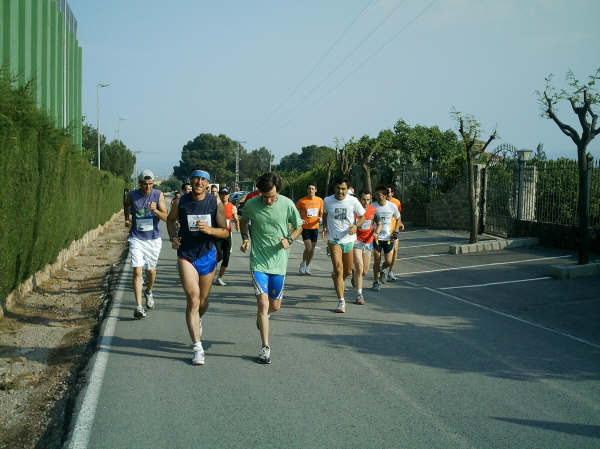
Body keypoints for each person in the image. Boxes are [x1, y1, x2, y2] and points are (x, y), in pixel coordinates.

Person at [239, 172, 303, 364]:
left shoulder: (287, 204)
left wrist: (289, 239)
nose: (268, 200)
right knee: (263, 304)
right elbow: (243, 222)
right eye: (265, 196)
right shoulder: (251, 205)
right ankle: (265, 348)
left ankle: (263, 317)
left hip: (279, 263)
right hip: (258, 261)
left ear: (278, 191)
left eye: (272, 196)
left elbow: (299, 226)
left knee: (274, 306)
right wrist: (245, 238)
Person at [167, 169, 229, 366]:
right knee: (193, 299)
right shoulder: (181, 202)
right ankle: (197, 348)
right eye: (196, 179)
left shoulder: (214, 202)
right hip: (186, 255)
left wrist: (210, 230)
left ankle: (198, 319)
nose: (199, 182)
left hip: (207, 255)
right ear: (191, 180)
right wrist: (173, 238)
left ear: (208, 183)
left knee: (202, 301)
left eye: (203, 180)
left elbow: (225, 233)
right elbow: (170, 220)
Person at [124, 170, 168, 319]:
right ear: (139, 183)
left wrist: (155, 210)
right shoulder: (132, 195)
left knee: (151, 271)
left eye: (150, 184)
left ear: (153, 183)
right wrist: (127, 218)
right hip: (137, 238)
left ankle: (148, 291)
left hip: (153, 240)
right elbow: (126, 205)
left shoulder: (158, 195)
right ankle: (139, 307)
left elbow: (166, 217)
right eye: (144, 184)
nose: (147, 187)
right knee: (137, 271)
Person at [322, 178, 366, 313]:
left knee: (347, 271)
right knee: (339, 269)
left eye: (343, 189)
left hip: (348, 239)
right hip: (333, 240)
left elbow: (363, 216)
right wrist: (324, 227)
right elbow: (324, 214)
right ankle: (341, 302)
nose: (340, 191)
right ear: (334, 188)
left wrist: (356, 226)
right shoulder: (327, 201)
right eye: (338, 188)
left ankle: (337, 278)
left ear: (347, 189)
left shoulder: (353, 201)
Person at [372, 185, 402, 291]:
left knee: (388, 262)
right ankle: (376, 281)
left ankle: (380, 270)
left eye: (379, 195)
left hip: (388, 238)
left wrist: (396, 231)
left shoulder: (392, 206)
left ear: (385, 196)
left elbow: (398, 218)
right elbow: (368, 219)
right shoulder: (373, 206)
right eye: (376, 195)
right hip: (376, 238)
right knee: (377, 259)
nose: (377, 197)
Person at [352, 191, 376, 305]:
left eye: (368, 200)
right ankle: (359, 295)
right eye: (363, 199)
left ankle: (354, 274)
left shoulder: (373, 210)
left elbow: (379, 223)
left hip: (368, 242)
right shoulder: (354, 210)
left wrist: (377, 232)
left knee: (365, 272)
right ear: (359, 199)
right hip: (356, 241)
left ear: (370, 200)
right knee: (360, 268)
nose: (365, 202)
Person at [296, 181, 323, 275]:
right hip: (305, 227)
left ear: (316, 190)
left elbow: (321, 212)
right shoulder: (302, 201)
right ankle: (303, 263)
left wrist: (321, 218)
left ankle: (307, 265)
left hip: (315, 227)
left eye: (312, 188)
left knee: (312, 249)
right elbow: (295, 212)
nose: (311, 190)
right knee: (308, 248)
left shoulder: (320, 200)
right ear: (307, 190)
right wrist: (300, 220)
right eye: (309, 188)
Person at [214, 186, 240, 286]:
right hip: (217, 234)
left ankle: (219, 277)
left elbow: (236, 218)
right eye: (222, 194)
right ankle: (207, 272)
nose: (224, 196)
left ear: (229, 195)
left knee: (226, 258)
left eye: (226, 194)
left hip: (227, 235)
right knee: (218, 256)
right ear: (219, 195)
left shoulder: (232, 207)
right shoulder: (215, 206)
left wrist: (237, 225)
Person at [385, 185, 404, 281]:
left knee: (395, 250)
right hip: (383, 232)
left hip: (393, 231)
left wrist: (400, 224)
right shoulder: (382, 202)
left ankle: (390, 272)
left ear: (392, 193)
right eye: (386, 192)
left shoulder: (397, 202)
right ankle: (380, 270)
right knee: (385, 254)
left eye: (388, 192)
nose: (387, 194)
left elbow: (398, 217)